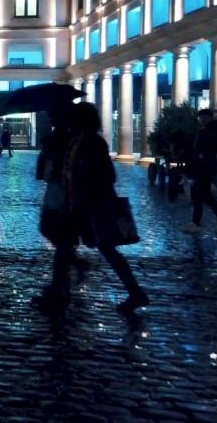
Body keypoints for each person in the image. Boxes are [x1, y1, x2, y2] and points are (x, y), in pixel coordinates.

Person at [60, 102, 148, 313]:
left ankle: (134, 292)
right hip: (82, 202)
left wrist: (85, 181)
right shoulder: (79, 141)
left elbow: (107, 175)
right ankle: (134, 291)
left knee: (102, 247)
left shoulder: (92, 142)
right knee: (95, 246)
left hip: (93, 204)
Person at [31, 104, 88, 311]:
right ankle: (69, 271)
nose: (50, 117)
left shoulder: (68, 137)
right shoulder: (58, 136)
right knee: (51, 230)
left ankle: (58, 287)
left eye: (53, 114)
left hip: (64, 192)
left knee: (57, 233)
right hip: (56, 190)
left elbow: (64, 163)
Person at [184, 109, 217, 232]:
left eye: (203, 117)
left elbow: (212, 146)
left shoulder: (212, 130)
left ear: (209, 117)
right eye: (200, 118)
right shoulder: (206, 130)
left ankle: (196, 223)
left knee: (198, 193)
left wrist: (203, 154)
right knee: (205, 195)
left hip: (206, 166)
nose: (201, 120)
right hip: (204, 165)